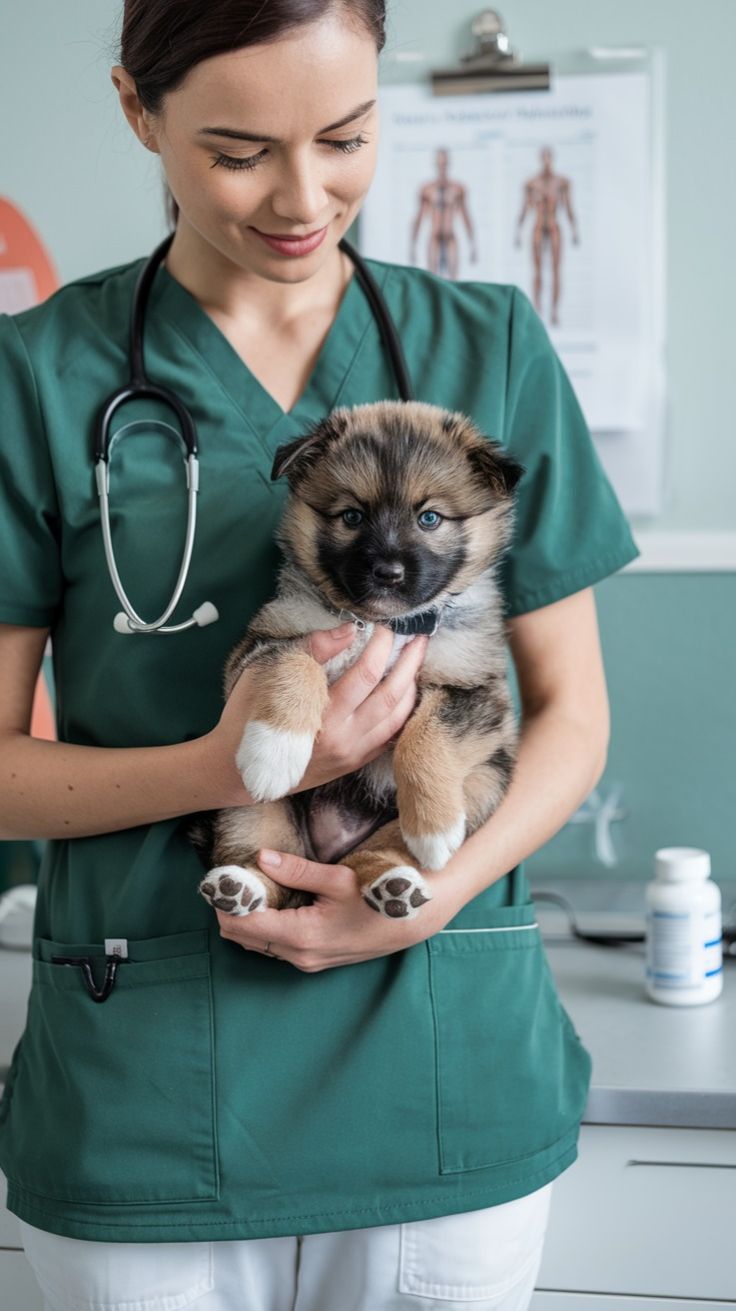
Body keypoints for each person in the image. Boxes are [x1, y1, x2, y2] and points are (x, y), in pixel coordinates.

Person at [0, 2, 639, 1308]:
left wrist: (443, 887)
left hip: (440, 1070)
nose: (305, 196)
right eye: (239, 150)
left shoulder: (490, 345)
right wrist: (216, 766)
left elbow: (572, 713)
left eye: (346, 137)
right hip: (149, 1091)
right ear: (138, 110)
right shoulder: (37, 376)